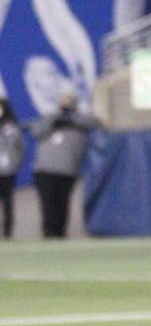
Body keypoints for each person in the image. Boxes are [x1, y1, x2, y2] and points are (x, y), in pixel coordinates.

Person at [30, 91, 103, 238]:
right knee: (48, 204)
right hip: (45, 169)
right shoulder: (51, 118)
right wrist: (54, 122)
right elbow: (36, 131)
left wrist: (72, 119)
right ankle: (48, 233)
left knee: (62, 203)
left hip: (67, 169)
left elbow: (95, 123)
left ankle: (60, 233)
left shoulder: (80, 122)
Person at [0, 98, 24, 238]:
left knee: (7, 202)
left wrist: (14, 165)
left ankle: (7, 233)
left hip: (7, 172)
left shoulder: (13, 128)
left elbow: (20, 149)